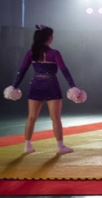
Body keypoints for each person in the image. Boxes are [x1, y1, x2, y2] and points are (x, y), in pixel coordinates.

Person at [8, 24, 80, 154]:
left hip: (36, 85)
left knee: (31, 117)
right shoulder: (54, 53)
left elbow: (21, 71)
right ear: (49, 38)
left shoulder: (31, 53)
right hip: (52, 85)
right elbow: (65, 71)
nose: (53, 37)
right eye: (52, 35)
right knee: (55, 118)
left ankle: (27, 146)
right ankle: (60, 147)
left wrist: (14, 86)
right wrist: (73, 87)